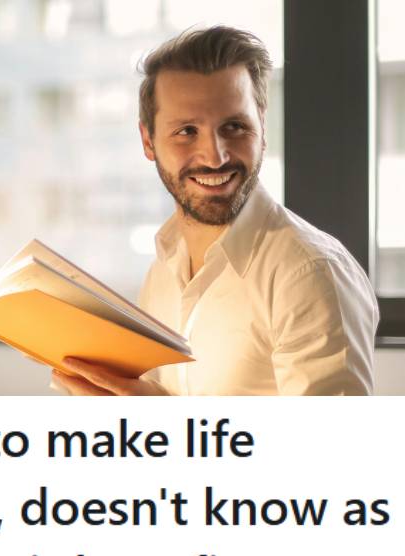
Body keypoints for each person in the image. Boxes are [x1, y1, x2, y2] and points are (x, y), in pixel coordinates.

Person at [53, 26, 378, 396]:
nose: (215, 156)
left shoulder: (309, 273)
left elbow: (336, 452)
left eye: (234, 127)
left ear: (262, 129)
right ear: (148, 141)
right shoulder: (163, 267)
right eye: (187, 131)